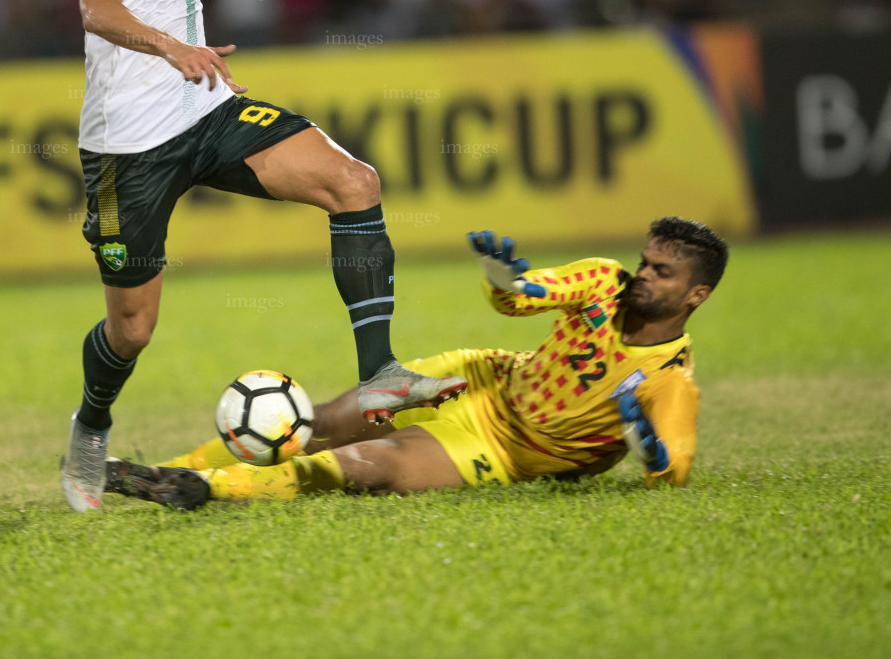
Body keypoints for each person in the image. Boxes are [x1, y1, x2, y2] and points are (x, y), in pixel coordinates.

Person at [60, 0, 467, 512]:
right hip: (128, 147)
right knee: (133, 329)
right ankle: (90, 425)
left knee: (355, 182)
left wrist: (191, 60)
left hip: (203, 110)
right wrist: (175, 47)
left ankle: (379, 371)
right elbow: (98, 8)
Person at [104, 216, 727, 509]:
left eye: (661, 272)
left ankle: (203, 488)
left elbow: (672, 470)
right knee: (323, 422)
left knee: (368, 466)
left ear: (696, 296)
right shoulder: (603, 281)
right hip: (480, 378)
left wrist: (651, 455)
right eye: (644, 261)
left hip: (510, 449)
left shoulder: (671, 381)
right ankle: (153, 472)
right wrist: (500, 277)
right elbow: (521, 298)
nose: (642, 275)